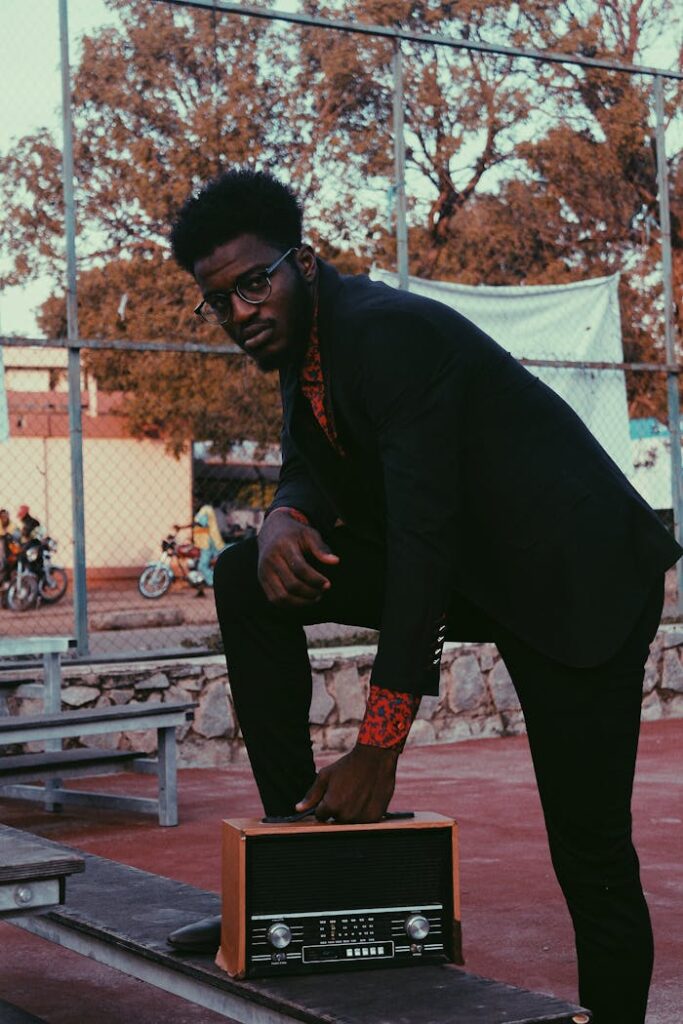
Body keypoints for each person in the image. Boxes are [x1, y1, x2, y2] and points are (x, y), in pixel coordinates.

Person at [165, 170, 680, 1024]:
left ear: (306, 261)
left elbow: (420, 543)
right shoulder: (304, 348)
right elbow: (310, 460)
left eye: (254, 282)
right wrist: (287, 514)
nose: (241, 312)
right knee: (243, 573)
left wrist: (378, 747)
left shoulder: (384, 334)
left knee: (589, 852)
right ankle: (290, 875)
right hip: (482, 570)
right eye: (219, 301)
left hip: (574, 578)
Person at [193, 503, 225, 587]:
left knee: (202, 566)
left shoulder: (205, 509)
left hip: (209, 541)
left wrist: (182, 527)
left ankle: (214, 582)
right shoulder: (205, 509)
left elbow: (201, 523)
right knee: (216, 564)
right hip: (210, 540)